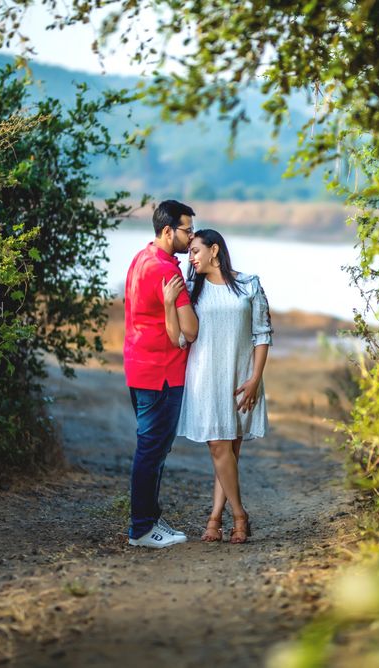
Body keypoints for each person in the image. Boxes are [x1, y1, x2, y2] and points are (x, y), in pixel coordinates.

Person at [169, 229, 273, 544]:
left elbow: (262, 334)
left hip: (241, 378)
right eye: (189, 253)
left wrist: (255, 379)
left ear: (214, 250)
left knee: (228, 452)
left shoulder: (249, 284)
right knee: (218, 448)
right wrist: (167, 305)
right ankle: (240, 516)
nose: (191, 258)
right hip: (205, 379)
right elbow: (180, 338)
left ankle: (215, 518)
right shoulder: (189, 290)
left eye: (196, 251)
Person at [123, 200, 199, 548]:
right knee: (152, 450)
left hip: (139, 366)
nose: (192, 236)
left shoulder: (142, 258)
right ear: (168, 231)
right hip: (162, 373)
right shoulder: (168, 272)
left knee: (151, 448)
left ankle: (150, 519)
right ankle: (141, 529)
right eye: (188, 230)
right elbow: (191, 330)